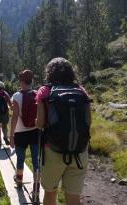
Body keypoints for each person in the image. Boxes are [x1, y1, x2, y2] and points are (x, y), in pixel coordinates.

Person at [36, 58, 91, 205]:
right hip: (80, 151)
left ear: (49, 73)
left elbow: (40, 123)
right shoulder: (81, 90)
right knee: (74, 197)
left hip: (53, 151)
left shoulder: (44, 91)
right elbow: (88, 122)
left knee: (50, 193)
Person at [9, 70, 40, 201]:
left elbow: (15, 116)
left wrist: (11, 135)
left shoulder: (16, 96)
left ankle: (19, 181)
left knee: (20, 158)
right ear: (31, 81)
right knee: (35, 160)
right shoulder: (37, 94)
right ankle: (37, 190)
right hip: (35, 131)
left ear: (21, 81)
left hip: (20, 133)